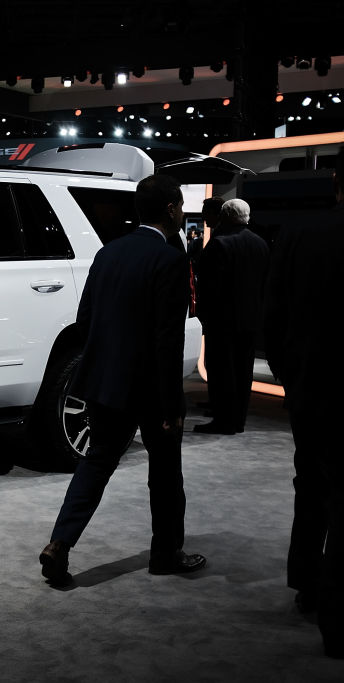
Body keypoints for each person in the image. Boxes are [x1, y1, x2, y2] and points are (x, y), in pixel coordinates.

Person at [39, 174, 207, 587]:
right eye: (180, 206)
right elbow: (167, 340)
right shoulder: (169, 259)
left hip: (105, 381)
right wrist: (172, 405)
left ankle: (60, 543)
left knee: (96, 463)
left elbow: (85, 320)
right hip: (149, 387)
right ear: (170, 209)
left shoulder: (107, 254)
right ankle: (166, 554)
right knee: (165, 472)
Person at [264, 136, 344, 659]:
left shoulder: (297, 233)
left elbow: (271, 321)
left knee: (309, 486)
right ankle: (338, 623)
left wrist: (290, 378)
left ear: (336, 180)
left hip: (308, 391)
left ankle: (306, 586)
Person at [192, 198, 270, 434]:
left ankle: (224, 421)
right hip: (251, 320)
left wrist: (203, 316)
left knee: (222, 371)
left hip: (222, 321)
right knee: (243, 372)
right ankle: (238, 420)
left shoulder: (219, 244)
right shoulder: (260, 243)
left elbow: (209, 287)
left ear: (225, 216)